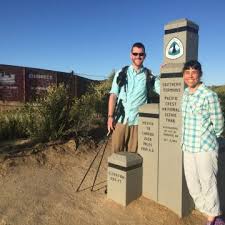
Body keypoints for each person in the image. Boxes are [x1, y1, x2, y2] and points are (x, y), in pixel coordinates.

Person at [181, 60, 224, 225]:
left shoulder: (209, 95)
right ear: (184, 75)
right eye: (187, 72)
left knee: (208, 183)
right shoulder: (185, 94)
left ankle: (212, 217)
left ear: (200, 74)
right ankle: (210, 211)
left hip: (204, 147)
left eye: (194, 72)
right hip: (188, 147)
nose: (190, 76)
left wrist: (211, 137)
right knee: (192, 183)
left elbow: (218, 122)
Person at [107, 42, 160, 153]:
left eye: (141, 54)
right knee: (116, 156)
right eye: (135, 54)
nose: (138, 56)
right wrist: (110, 117)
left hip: (137, 123)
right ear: (131, 55)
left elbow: (163, 90)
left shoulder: (149, 76)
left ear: (145, 56)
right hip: (120, 121)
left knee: (133, 157)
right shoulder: (121, 73)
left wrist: (166, 73)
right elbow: (113, 95)